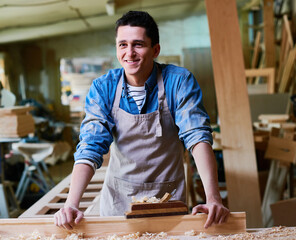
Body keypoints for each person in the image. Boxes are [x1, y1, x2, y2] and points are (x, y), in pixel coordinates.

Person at [54, 10, 229, 230]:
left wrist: (213, 198)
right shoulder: (104, 87)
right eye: (122, 45)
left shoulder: (179, 81)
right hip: (119, 200)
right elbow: (90, 146)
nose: (129, 53)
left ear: (155, 50)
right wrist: (71, 204)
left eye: (138, 44)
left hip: (167, 199)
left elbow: (197, 138)